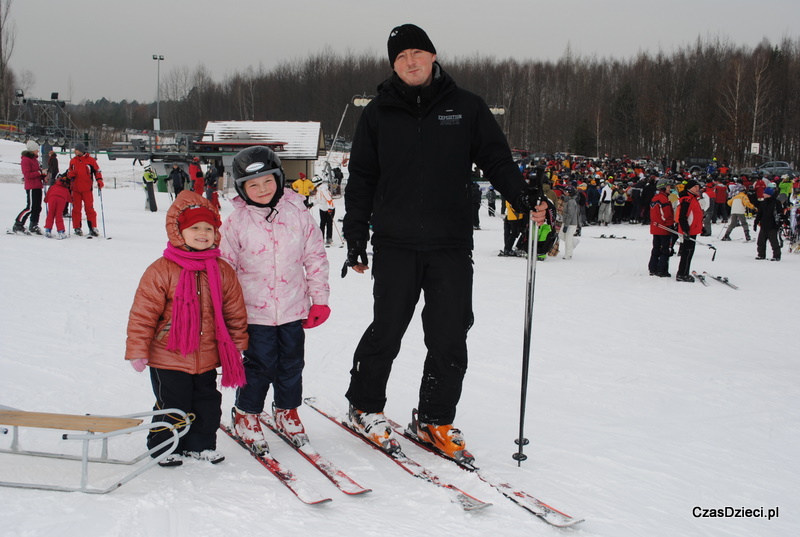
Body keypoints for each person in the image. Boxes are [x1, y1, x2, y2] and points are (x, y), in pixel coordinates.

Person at [341, 24, 547, 461]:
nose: (411, 62)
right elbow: (361, 178)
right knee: (388, 329)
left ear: (433, 56)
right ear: (393, 65)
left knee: (451, 334)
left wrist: (521, 195)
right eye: (400, 57)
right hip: (395, 243)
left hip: (450, 243)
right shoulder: (378, 113)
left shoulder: (466, 107)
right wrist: (355, 237)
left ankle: (434, 416)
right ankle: (364, 405)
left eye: (418, 52)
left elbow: (496, 158)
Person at [125, 190, 249, 467]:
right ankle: (165, 446)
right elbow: (143, 313)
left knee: (207, 403)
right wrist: (137, 349)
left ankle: (201, 445)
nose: (203, 233)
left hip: (206, 356)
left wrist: (238, 342)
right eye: (195, 228)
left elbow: (234, 310)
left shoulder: (221, 270)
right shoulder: (162, 270)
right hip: (168, 355)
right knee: (172, 406)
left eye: (209, 228)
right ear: (179, 232)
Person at [220, 146, 331, 453]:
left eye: (267, 181)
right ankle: (246, 413)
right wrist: (225, 309)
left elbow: (315, 257)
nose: (262, 189)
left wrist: (318, 299)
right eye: (253, 185)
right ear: (242, 189)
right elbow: (224, 269)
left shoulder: (299, 214)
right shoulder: (236, 223)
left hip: (293, 309)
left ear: (279, 179)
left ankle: (286, 409)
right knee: (259, 366)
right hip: (253, 313)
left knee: (292, 365)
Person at [67, 142, 104, 236]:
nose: (75, 151)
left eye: (76, 149)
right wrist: (70, 175)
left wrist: (99, 180)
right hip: (75, 189)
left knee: (89, 208)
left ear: (81, 150)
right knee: (76, 209)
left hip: (87, 189)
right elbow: (69, 171)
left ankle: (93, 227)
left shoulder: (91, 161)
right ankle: (77, 227)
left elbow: (97, 171)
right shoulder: (73, 161)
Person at [11, 140, 46, 235]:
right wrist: (39, 173)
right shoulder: (26, 160)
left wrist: (43, 175)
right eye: (36, 150)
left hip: (38, 185)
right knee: (30, 207)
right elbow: (27, 174)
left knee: (37, 207)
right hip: (31, 186)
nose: (37, 151)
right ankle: (18, 223)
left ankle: (34, 224)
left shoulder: (34, 160)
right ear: (32, 150)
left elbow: (37, 172)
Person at [675, 179, 703, 282]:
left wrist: (701, 227)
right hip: (689, 230)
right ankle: (682, 274)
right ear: (690, 188)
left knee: (690, 252)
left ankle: (684, 272)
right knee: (687, 253)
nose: (697, 189)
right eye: (695, 187)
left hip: (694, 229)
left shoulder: (694, 198)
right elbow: (683, 216)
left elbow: (696, 215)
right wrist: (686, 229)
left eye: (698, 187)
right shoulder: (687, 199)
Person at [648, 178, 674, 277]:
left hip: (655, 227)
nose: (670, 189)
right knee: (665, 250)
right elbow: (666, 214)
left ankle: (653, 267)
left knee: (656, 248)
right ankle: (661, 269)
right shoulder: (663, 199)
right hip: (663, 228)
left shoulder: (655, 198)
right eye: (668, 187)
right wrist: (670, 224)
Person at [754, 187, 782, 261]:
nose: (763, 194)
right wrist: (756, 222)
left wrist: (780, 223)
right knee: (760, 241)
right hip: (764, 225)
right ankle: (761, 254)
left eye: (764, 193)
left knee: (774, 241)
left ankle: (777, 256)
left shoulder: (776, 202)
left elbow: (780, 213)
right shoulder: (763, 203)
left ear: (768, 194)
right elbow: (759, 213)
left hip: (773, 225)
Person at [43, 174, 71, 239]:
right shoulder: (65, 189)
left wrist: (46, 200)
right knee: (58, 215)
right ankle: (61, 232)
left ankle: (48, 230)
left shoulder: (53, 187)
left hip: (52, 199)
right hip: (61, 200)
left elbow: (46, 198)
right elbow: (70, 199)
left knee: (50, 214)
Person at [558, 185, 579, 259]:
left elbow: (570, 214)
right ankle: (574, 242)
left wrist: (566, 225)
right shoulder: (568, 201)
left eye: (566, 192)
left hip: (571, 223)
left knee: (568, 239)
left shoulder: (571, 202)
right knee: (561, 235)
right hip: (566, 221)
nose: (565, 193)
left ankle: (568, 254)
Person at [315, 181, 336, 246]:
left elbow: (329, 199)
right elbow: (318, 200)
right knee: (322, 223)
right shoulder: (318, 190)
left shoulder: (323, 189)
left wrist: (329, 208)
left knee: (329, 223)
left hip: (329, 209)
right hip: (322, 208)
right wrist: (312, 204)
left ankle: (329, 238)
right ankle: (321, 238)